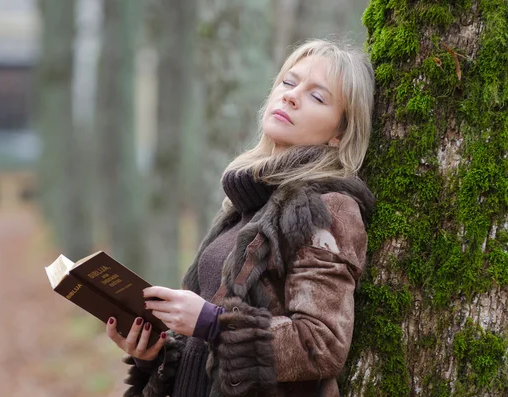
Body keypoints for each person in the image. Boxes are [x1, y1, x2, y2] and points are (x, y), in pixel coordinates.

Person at [106, 38, 376, 397]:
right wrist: (154, 351)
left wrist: (212, 324)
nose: (291, 96)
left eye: (317, 96)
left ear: (339, 133)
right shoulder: (246, 203)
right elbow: (205, 344)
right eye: (289, 82)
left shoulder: (326, 208)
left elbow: (322, 345)